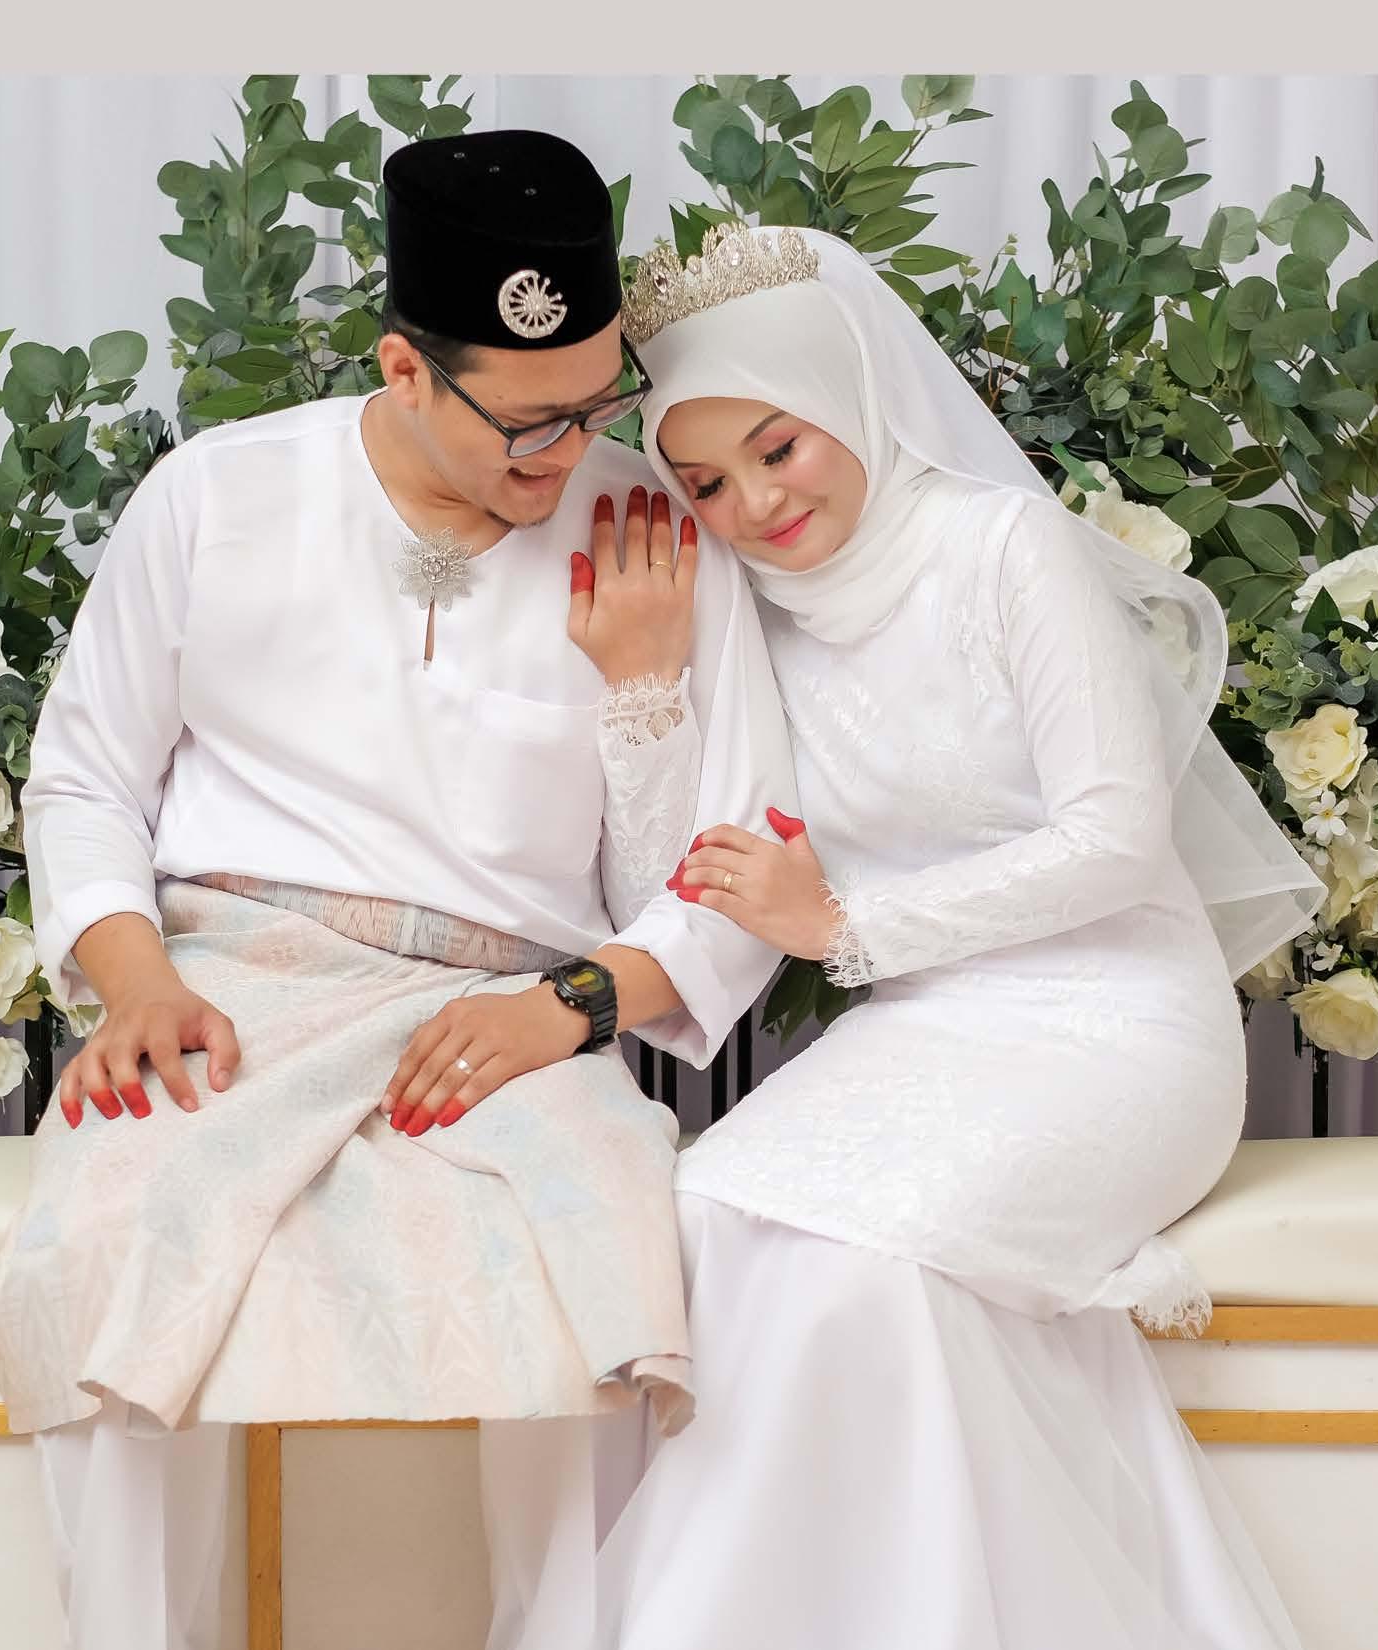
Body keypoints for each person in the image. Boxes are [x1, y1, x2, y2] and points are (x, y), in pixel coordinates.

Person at [0, 132, 795, 1650]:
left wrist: (574, 980)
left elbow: (723, 870)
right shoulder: (217, 494)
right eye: (528, 423)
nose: (570, 454)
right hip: (228, 978)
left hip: (510, 1012)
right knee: (116, 1228)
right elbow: (83, 778)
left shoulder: (655, 529)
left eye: (599, 403)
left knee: (606, 1254)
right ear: (404, 368)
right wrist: (137, 981)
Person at [482, 223, 1325, 1650]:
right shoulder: (750, 603)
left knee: (872, 1267)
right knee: (693, 1229)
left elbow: (1117, 838)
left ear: (848, 392)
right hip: (927, 1028)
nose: (756, 505)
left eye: (779, 447)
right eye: (707, 483)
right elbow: (693, 875)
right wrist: (643, 685)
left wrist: (849, 922)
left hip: (1122, 1027)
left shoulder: (1003, 549)